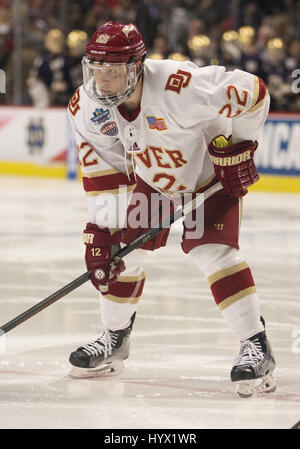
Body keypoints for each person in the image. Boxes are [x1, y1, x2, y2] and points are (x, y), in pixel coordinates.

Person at [67, 21, 276, 398]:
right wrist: (104, 232)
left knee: (212, 252)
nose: (104, 80)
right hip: (157, 179)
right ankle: (114, 337)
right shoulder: (89, 107)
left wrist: (239, 146)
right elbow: (105, 170)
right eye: (96, 69)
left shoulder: (182, 86)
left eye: (113, 70)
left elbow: (253, 91)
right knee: (123, 254)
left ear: (136, 67)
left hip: (209, 175)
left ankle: (255, 343)